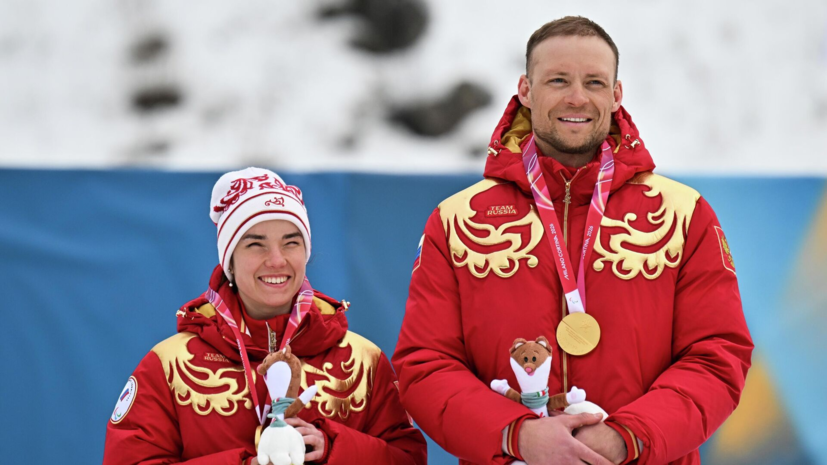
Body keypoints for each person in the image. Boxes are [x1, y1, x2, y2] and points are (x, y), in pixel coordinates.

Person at [392, 16, 753, 465]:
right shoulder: (456, 220)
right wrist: (517, 437)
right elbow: (425, 365)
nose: (577, 97)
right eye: (558, 80)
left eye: (595, 82)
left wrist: (627, 437)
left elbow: (717, 357)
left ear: (616, 94)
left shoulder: (684, 214)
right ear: (525, 90)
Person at [104, 167, 427, 464]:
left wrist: (333, 447)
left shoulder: (364, 362)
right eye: (255, 244)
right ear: (229, 261)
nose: (276, 260)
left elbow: (408, 458)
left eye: (291, 243)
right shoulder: (169, 365)